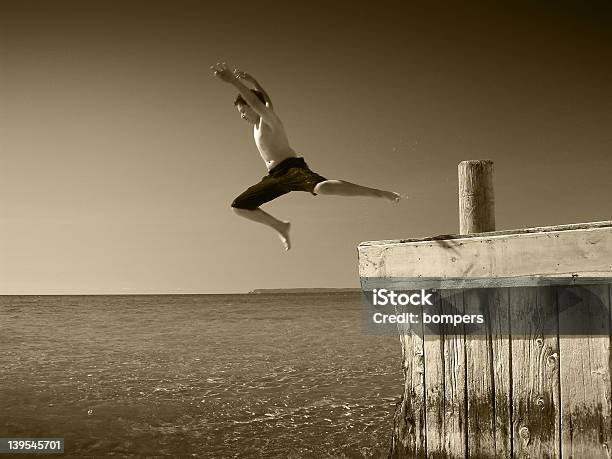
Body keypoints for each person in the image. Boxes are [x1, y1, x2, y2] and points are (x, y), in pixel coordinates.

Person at [211, 62, 401, 251]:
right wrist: (254, 81)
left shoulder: (269, 121)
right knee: (239, 206)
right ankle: (280, 226)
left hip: (292, 168)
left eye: (243, 111)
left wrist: (234, 81)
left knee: (321, 187)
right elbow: (266, 99)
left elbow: (258, 102)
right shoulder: (257, 124)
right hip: (275, 177)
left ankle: (378, 193)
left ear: (254, 107)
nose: (242, 116)